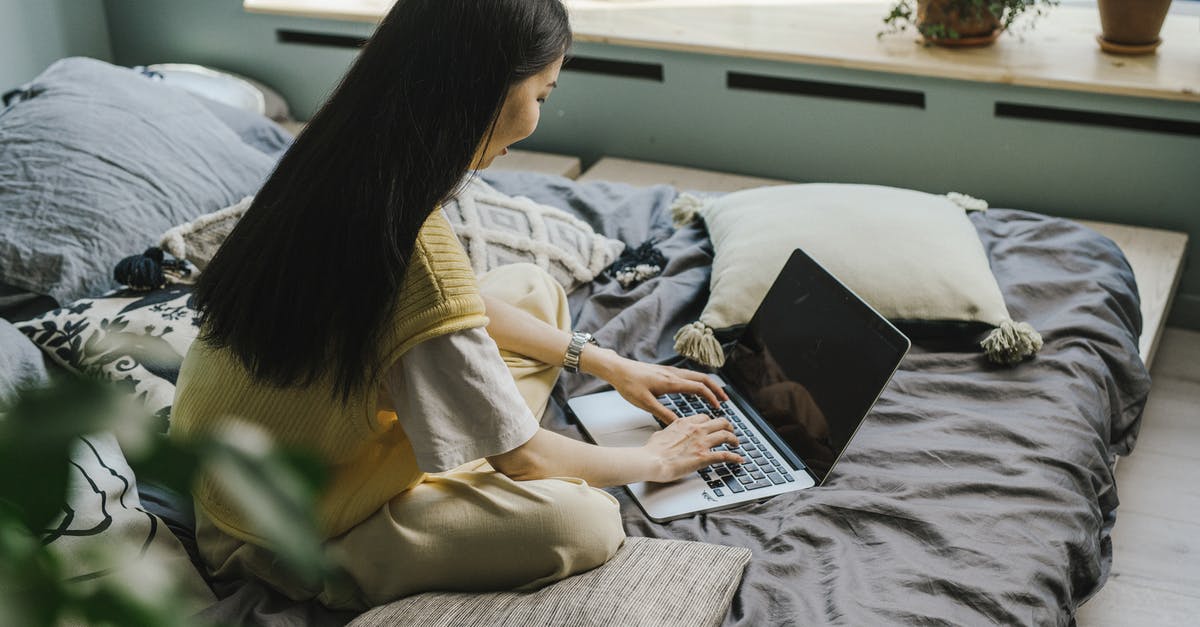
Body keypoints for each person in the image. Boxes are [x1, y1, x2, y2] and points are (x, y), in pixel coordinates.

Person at [169, 0, 744, 611]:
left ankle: (466, 434)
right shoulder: (411, 248)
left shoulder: (338, 163)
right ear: (486, 90)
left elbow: (444, 308)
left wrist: (605, 363)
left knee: (533, 288)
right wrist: (651, 459)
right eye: (542, 95)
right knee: (586, 522)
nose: (537, 119)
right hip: (278, 530)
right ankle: (348, 552)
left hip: (242, 456)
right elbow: (523, 457)